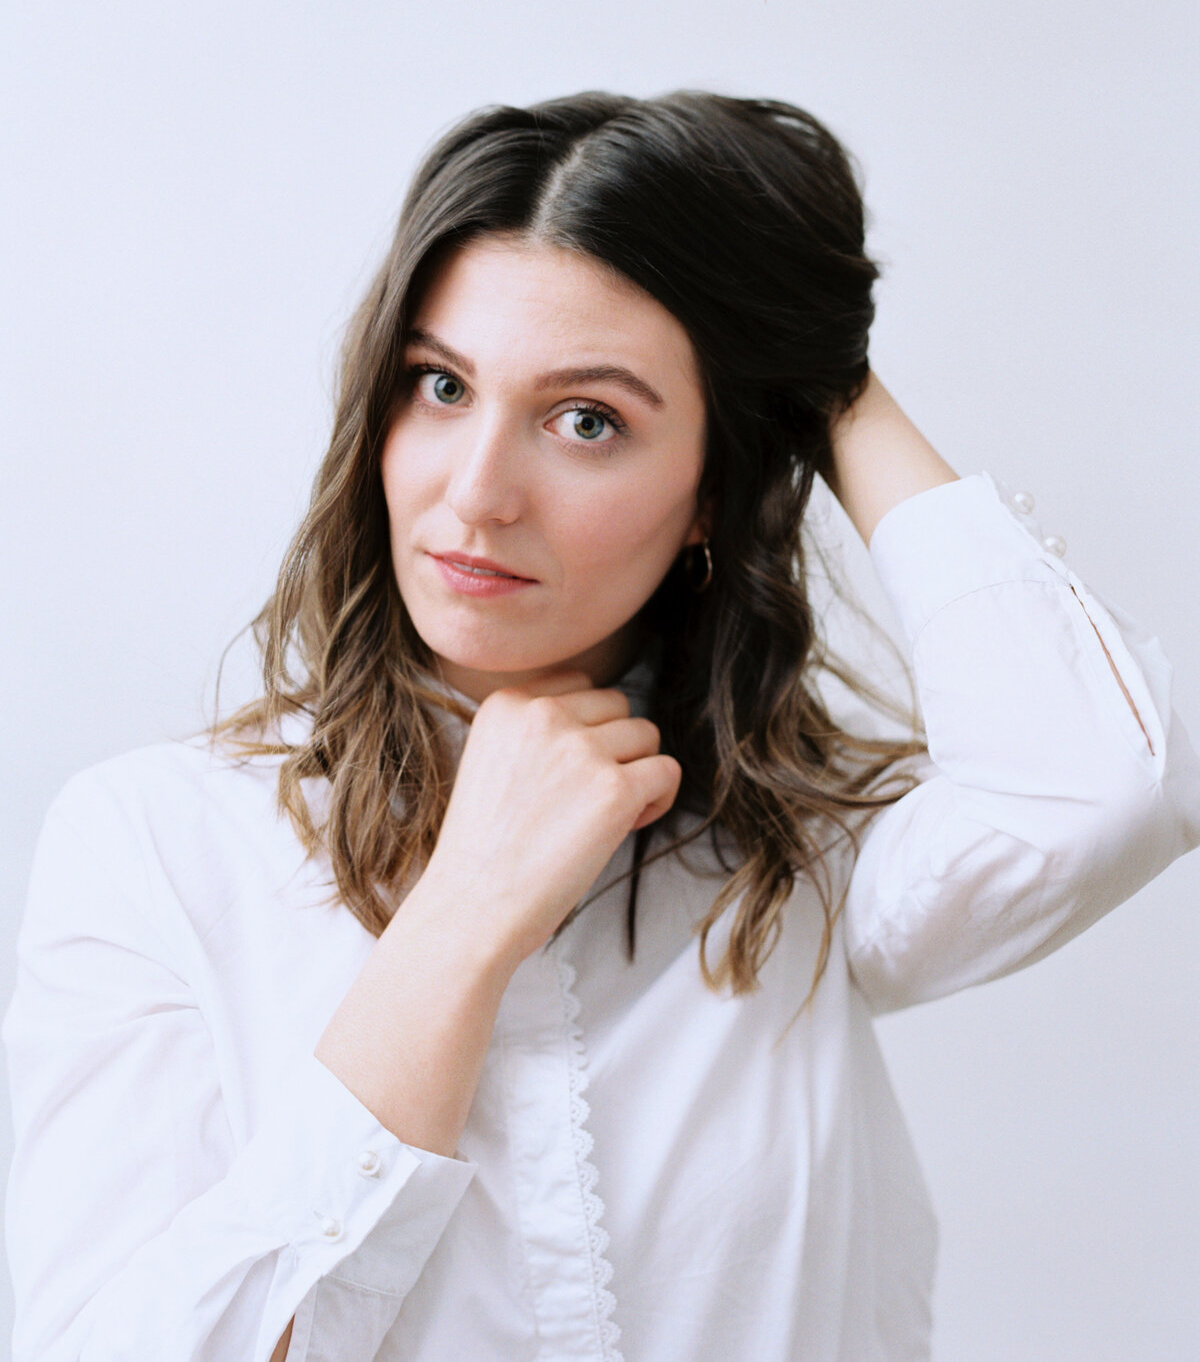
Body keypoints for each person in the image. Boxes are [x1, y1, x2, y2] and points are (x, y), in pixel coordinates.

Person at [4, 90, 1198, 1362]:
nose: (476, 493)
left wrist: (825, 370)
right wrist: (465, 916)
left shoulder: (794, 862)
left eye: (589, 420)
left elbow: (1113, 780)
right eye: (441, 384)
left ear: (712, 493)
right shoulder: (160, 848)